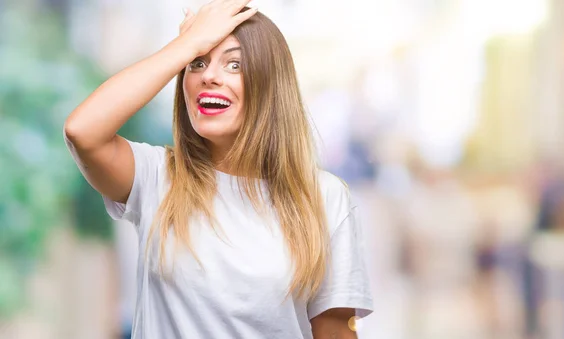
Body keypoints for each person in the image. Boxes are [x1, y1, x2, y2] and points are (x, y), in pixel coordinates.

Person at [63, 1, 373, 338]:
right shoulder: (157, 177)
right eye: (196, 64)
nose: (209, 76)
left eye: (234, 64)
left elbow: (334, 331)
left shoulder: (324, 197)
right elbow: (83, 131)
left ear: (269, 83)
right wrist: (183, 46)